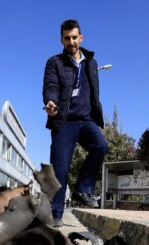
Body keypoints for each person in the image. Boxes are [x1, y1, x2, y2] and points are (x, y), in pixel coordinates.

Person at [42, 19, 108, 227]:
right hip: (64, 122)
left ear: (81, 38)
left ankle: (83, 188)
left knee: (101, 145)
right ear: (61, 39)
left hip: (86, 119)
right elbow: (50, 86)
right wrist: (50, 101)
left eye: (74, 37)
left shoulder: (92, 63)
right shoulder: (54, 62)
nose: (71, 41)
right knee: (60, 169)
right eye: (67, 38)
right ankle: (55, 214)